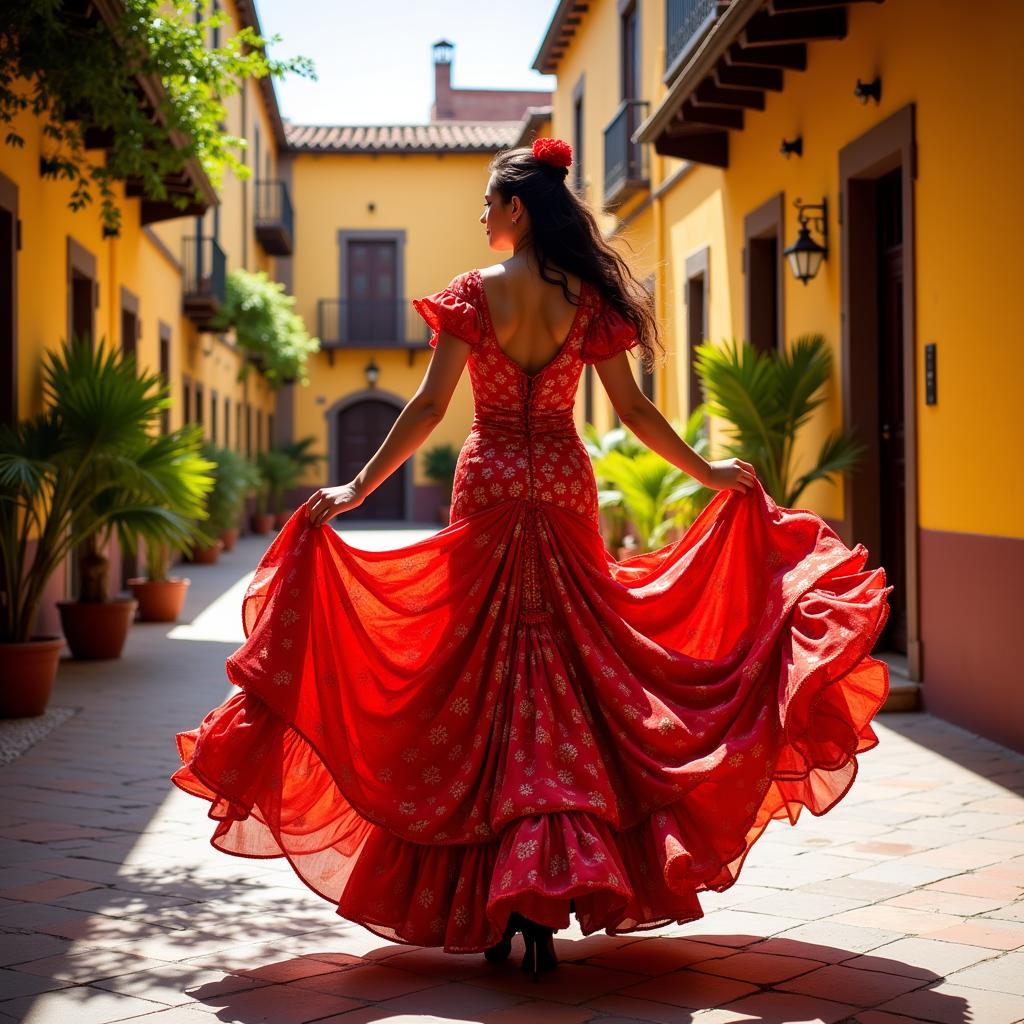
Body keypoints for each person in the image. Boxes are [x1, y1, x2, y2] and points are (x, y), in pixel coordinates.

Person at [171, 137, 891, 984]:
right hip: (561, 481)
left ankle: (497, 896)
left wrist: (358, 487)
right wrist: (706, 472)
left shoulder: (474, 298)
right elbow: (633, 409)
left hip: (489, 485)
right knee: (572, 672)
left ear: (517, 209)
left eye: (488, 201)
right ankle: (553, 886)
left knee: (480, 678)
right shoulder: (586, 301)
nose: (481, 215)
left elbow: (433, 403)